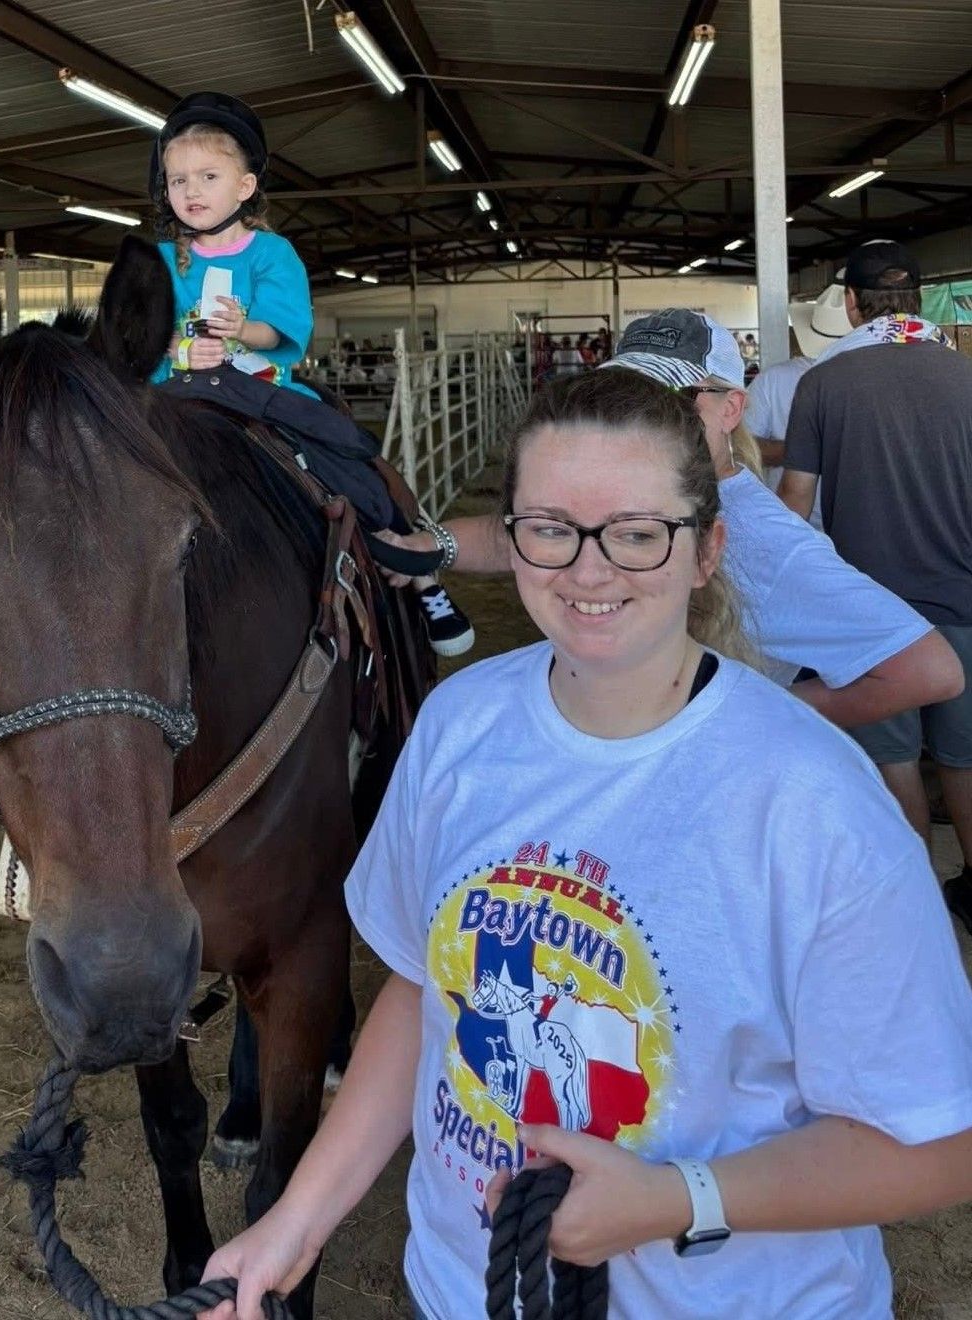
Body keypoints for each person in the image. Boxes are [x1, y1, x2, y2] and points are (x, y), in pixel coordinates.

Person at [195, 366, 972, 1320]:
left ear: (707, 550)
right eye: (551, 529)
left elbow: (937, 1146)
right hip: (465, 1288)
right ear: (508, 536)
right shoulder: (460, 724)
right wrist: (298, 1222)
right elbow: (421, 990)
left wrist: (680, 1201)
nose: (588, 570)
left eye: (638, 534)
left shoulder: (815, 804)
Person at [377, 308, 963, 731]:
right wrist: (436, 545)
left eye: (677, 401)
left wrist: (745, 717)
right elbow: (534, 531)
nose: (648, 419)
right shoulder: (638, 488)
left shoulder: (763, 537)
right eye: (631, 394)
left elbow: (927, 670)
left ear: (731, 407)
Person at [146, 90, 473, 656]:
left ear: (244, 187)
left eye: (207, 176)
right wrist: (179, 351)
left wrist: (243, 330)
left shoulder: (271, 254)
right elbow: (139, 335)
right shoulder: (155, 260)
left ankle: (415, 564)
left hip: (258, 390)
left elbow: (282, 329)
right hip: (177, 395)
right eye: (178, 180)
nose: (191, 191)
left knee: (344, 447)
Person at [780, 240, 972, 933]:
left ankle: (913, 902)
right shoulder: (967, 376)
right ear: (918, 300)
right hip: (965, 600)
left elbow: (795, 504)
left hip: (871, 612)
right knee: (965, 755)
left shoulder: (824, 385)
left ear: (853, 305)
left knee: (892, 760)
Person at [745, 275, 852, 529]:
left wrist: (802, 452)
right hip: (849, 527)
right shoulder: (773, 381)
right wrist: (814, 452)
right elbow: (744, 447)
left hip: (796, 524)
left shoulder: (773, 380)